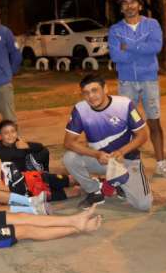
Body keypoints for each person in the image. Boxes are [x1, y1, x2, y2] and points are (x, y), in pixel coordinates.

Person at [109, 0, 166, 179]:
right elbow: (116, 56)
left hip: (149, 80)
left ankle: (161, 164)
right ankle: (132, 166)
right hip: (126, 82)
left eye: (133, 2)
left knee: (154, 121)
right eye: (125, 3)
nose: (129, 6)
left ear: (140, 6)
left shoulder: (152, 24)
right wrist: (142, 50)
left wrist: (129, 46)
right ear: (121, 9)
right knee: (129, 124)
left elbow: (156, 47)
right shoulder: (115, 29)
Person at [62, 74, 152, 210]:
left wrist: (121, 152)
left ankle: (118, 183)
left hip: (125, 160)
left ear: (105, 89)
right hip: (100, 160)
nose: (91, 96)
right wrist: (96, 154)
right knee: (69, 158)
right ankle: (94, 191)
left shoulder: (124, 104)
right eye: (86, 93)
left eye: (95, 90)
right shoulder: (80, 109)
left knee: (143, 205)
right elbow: (68, 143)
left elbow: (143, 136)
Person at [0, 148, 71, 205]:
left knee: (69, 180)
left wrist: (1, 188)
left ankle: (73, 179)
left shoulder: (9, 166)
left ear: (0, 161)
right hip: (34, 195)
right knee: (72, 192)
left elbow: (21, 190)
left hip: (38, 179)